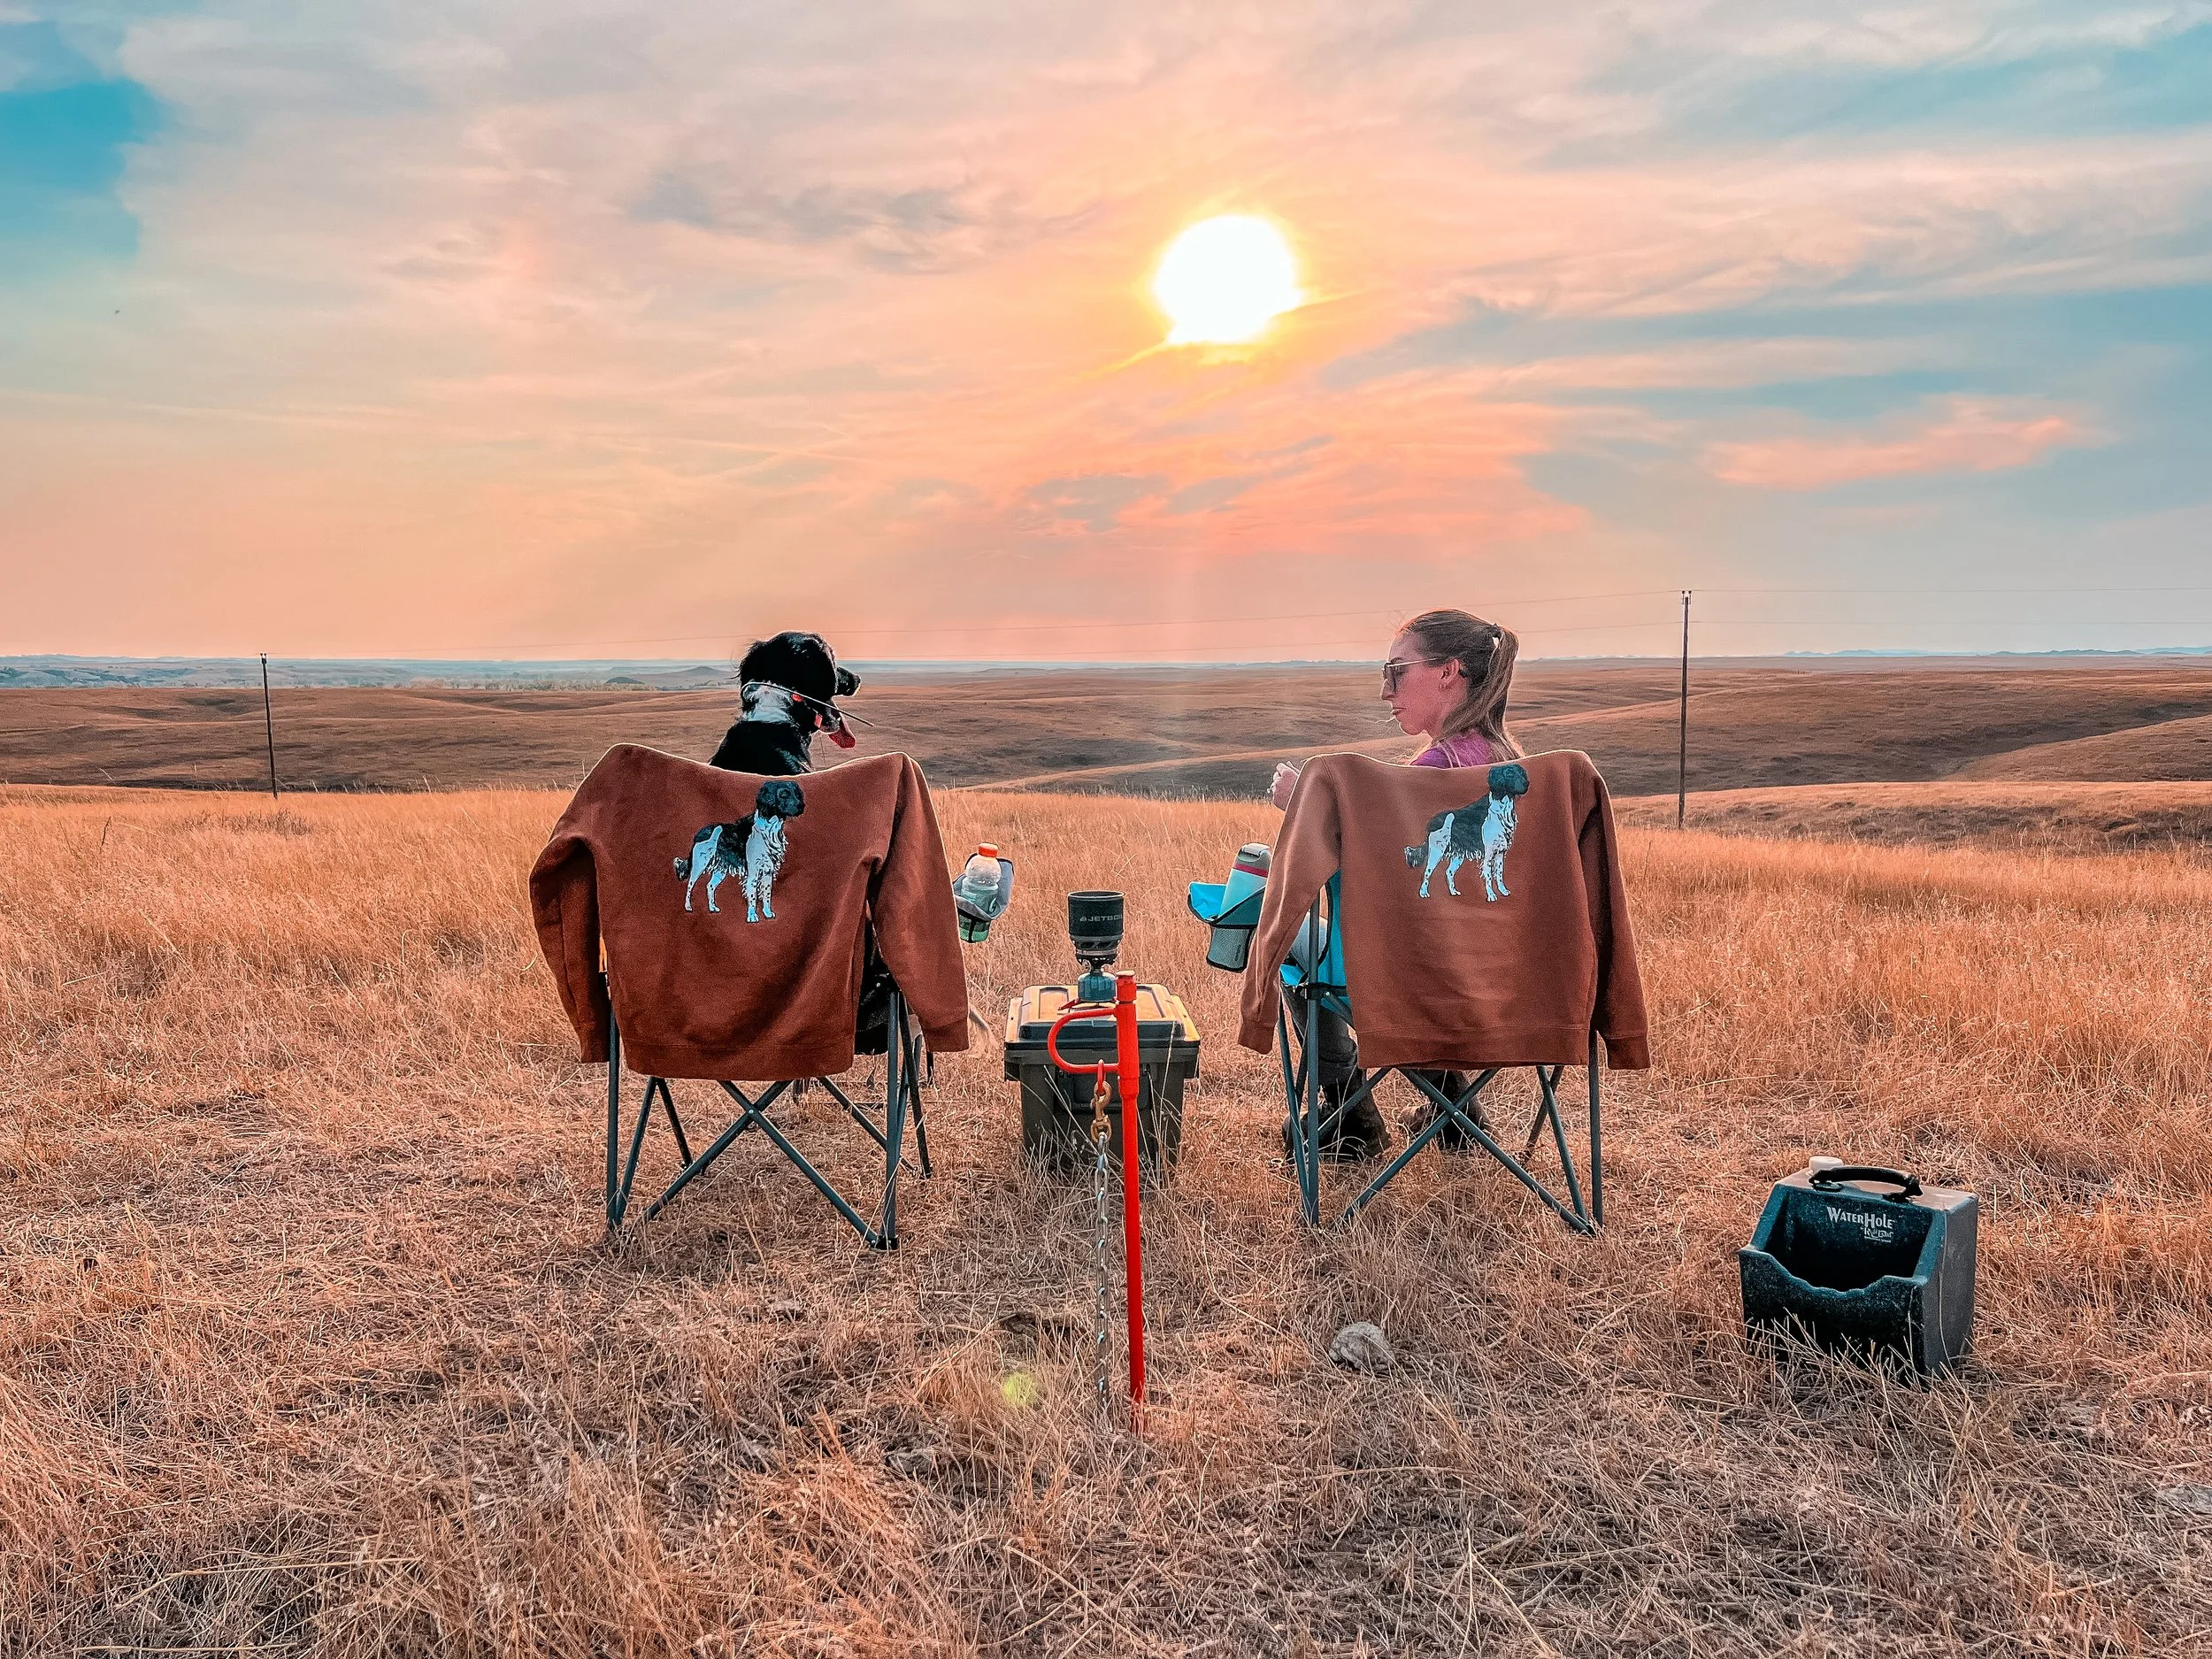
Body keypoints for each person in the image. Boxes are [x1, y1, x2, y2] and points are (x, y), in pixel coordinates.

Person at [1269, 609, 1525, 1159]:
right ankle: (1455, 1108)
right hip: (1509, 981)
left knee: (1285, 937)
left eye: (1396, 672)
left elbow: (1382, 885)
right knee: (1432, 941)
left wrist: (1305, 811)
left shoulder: (1436, 770)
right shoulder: (1517, 767)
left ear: (1448, 673)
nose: (1387, 692)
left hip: (1422, 981)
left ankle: (1348, 1110)